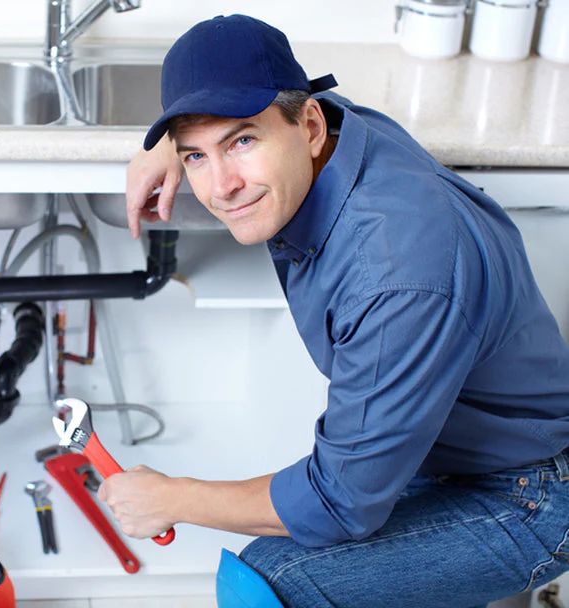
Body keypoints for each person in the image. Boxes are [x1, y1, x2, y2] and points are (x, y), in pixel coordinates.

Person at [95, 14, 569, 608]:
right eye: (198, 157)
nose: (221, 187)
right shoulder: (339, 128)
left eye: (242, 142)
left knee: (269, 581)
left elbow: (339, 503)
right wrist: (171, 146)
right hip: (449, 441)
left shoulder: (396, 276)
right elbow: (257, 109)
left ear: (309, 127)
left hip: (528, 491)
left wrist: (173, 498)